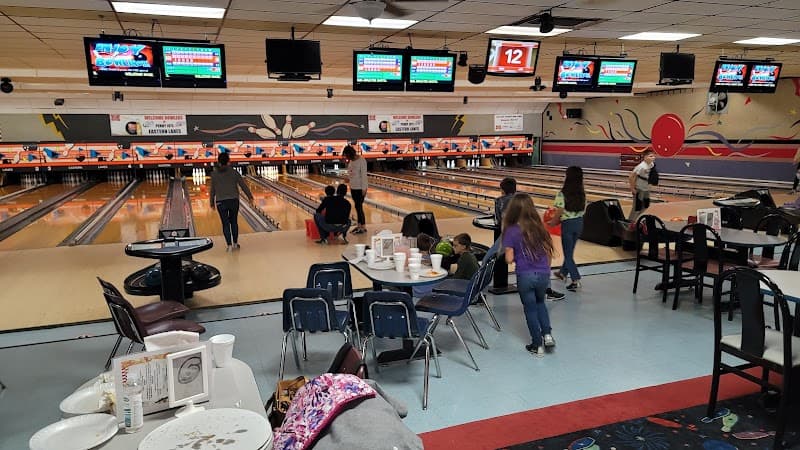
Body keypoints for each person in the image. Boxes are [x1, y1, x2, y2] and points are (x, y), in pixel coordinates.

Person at [502, 193, 556, 357]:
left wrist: (512, 256)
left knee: (530, 309)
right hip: (543, 274)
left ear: (513, 210)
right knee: (541, 303)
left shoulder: (511, 231)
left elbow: (509, 258)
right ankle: (547, 335)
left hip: (525, 276)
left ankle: (537, 345)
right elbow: (548, 254)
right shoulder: (540, 227)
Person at [495, 177, 565, 301]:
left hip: (508, 236)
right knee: (539, 259)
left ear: (502, 190)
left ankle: (476, 291)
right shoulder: (522, 201)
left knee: (488, 260)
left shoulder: (499, 201)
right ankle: (546, 290)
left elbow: (499, 220)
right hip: (527, 234)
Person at [210, 152, 254, 252]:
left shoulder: (214, 174)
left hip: (220, 202)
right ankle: (235, 243)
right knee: (234, 222)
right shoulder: (234, 172)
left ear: (219, 162)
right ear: (229, 161)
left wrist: (212, 202)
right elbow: (243, 185)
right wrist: (250, 197)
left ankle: (229, 245)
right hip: (234, 201)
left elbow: (212, 190)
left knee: (225, 224)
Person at [552, 166, 586, 292]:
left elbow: (559, 211)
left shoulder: (562, 194)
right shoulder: (582, 193)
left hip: (568, 225)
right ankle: (562, 273)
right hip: (579, 223)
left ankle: (575, 280)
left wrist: (552, 222)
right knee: (570, 251)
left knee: (567, 255)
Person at [342, 145, 368, 234]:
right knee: (357, 207)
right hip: (353, 187)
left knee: (359, 207)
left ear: (351, 153)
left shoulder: (361, 160)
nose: (346, 158)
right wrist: (348, 178)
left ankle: (363, 227)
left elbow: (364, 176)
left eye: (347, 155)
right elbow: (352, 174)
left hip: (360, 188)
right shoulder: (351, 162)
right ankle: (359, 226)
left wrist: (364, 189)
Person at [628, 149, 656, 221]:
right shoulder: (641, 166)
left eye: (653, 156)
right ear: (645, 157)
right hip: (639, 189)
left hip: (646, 189)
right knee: (636, 207)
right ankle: (629, 222)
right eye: (651, 156)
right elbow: (631, 177)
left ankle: (634, 219)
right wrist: (632, 189)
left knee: (646, 206)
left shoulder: (652, 164)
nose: (653, 157)